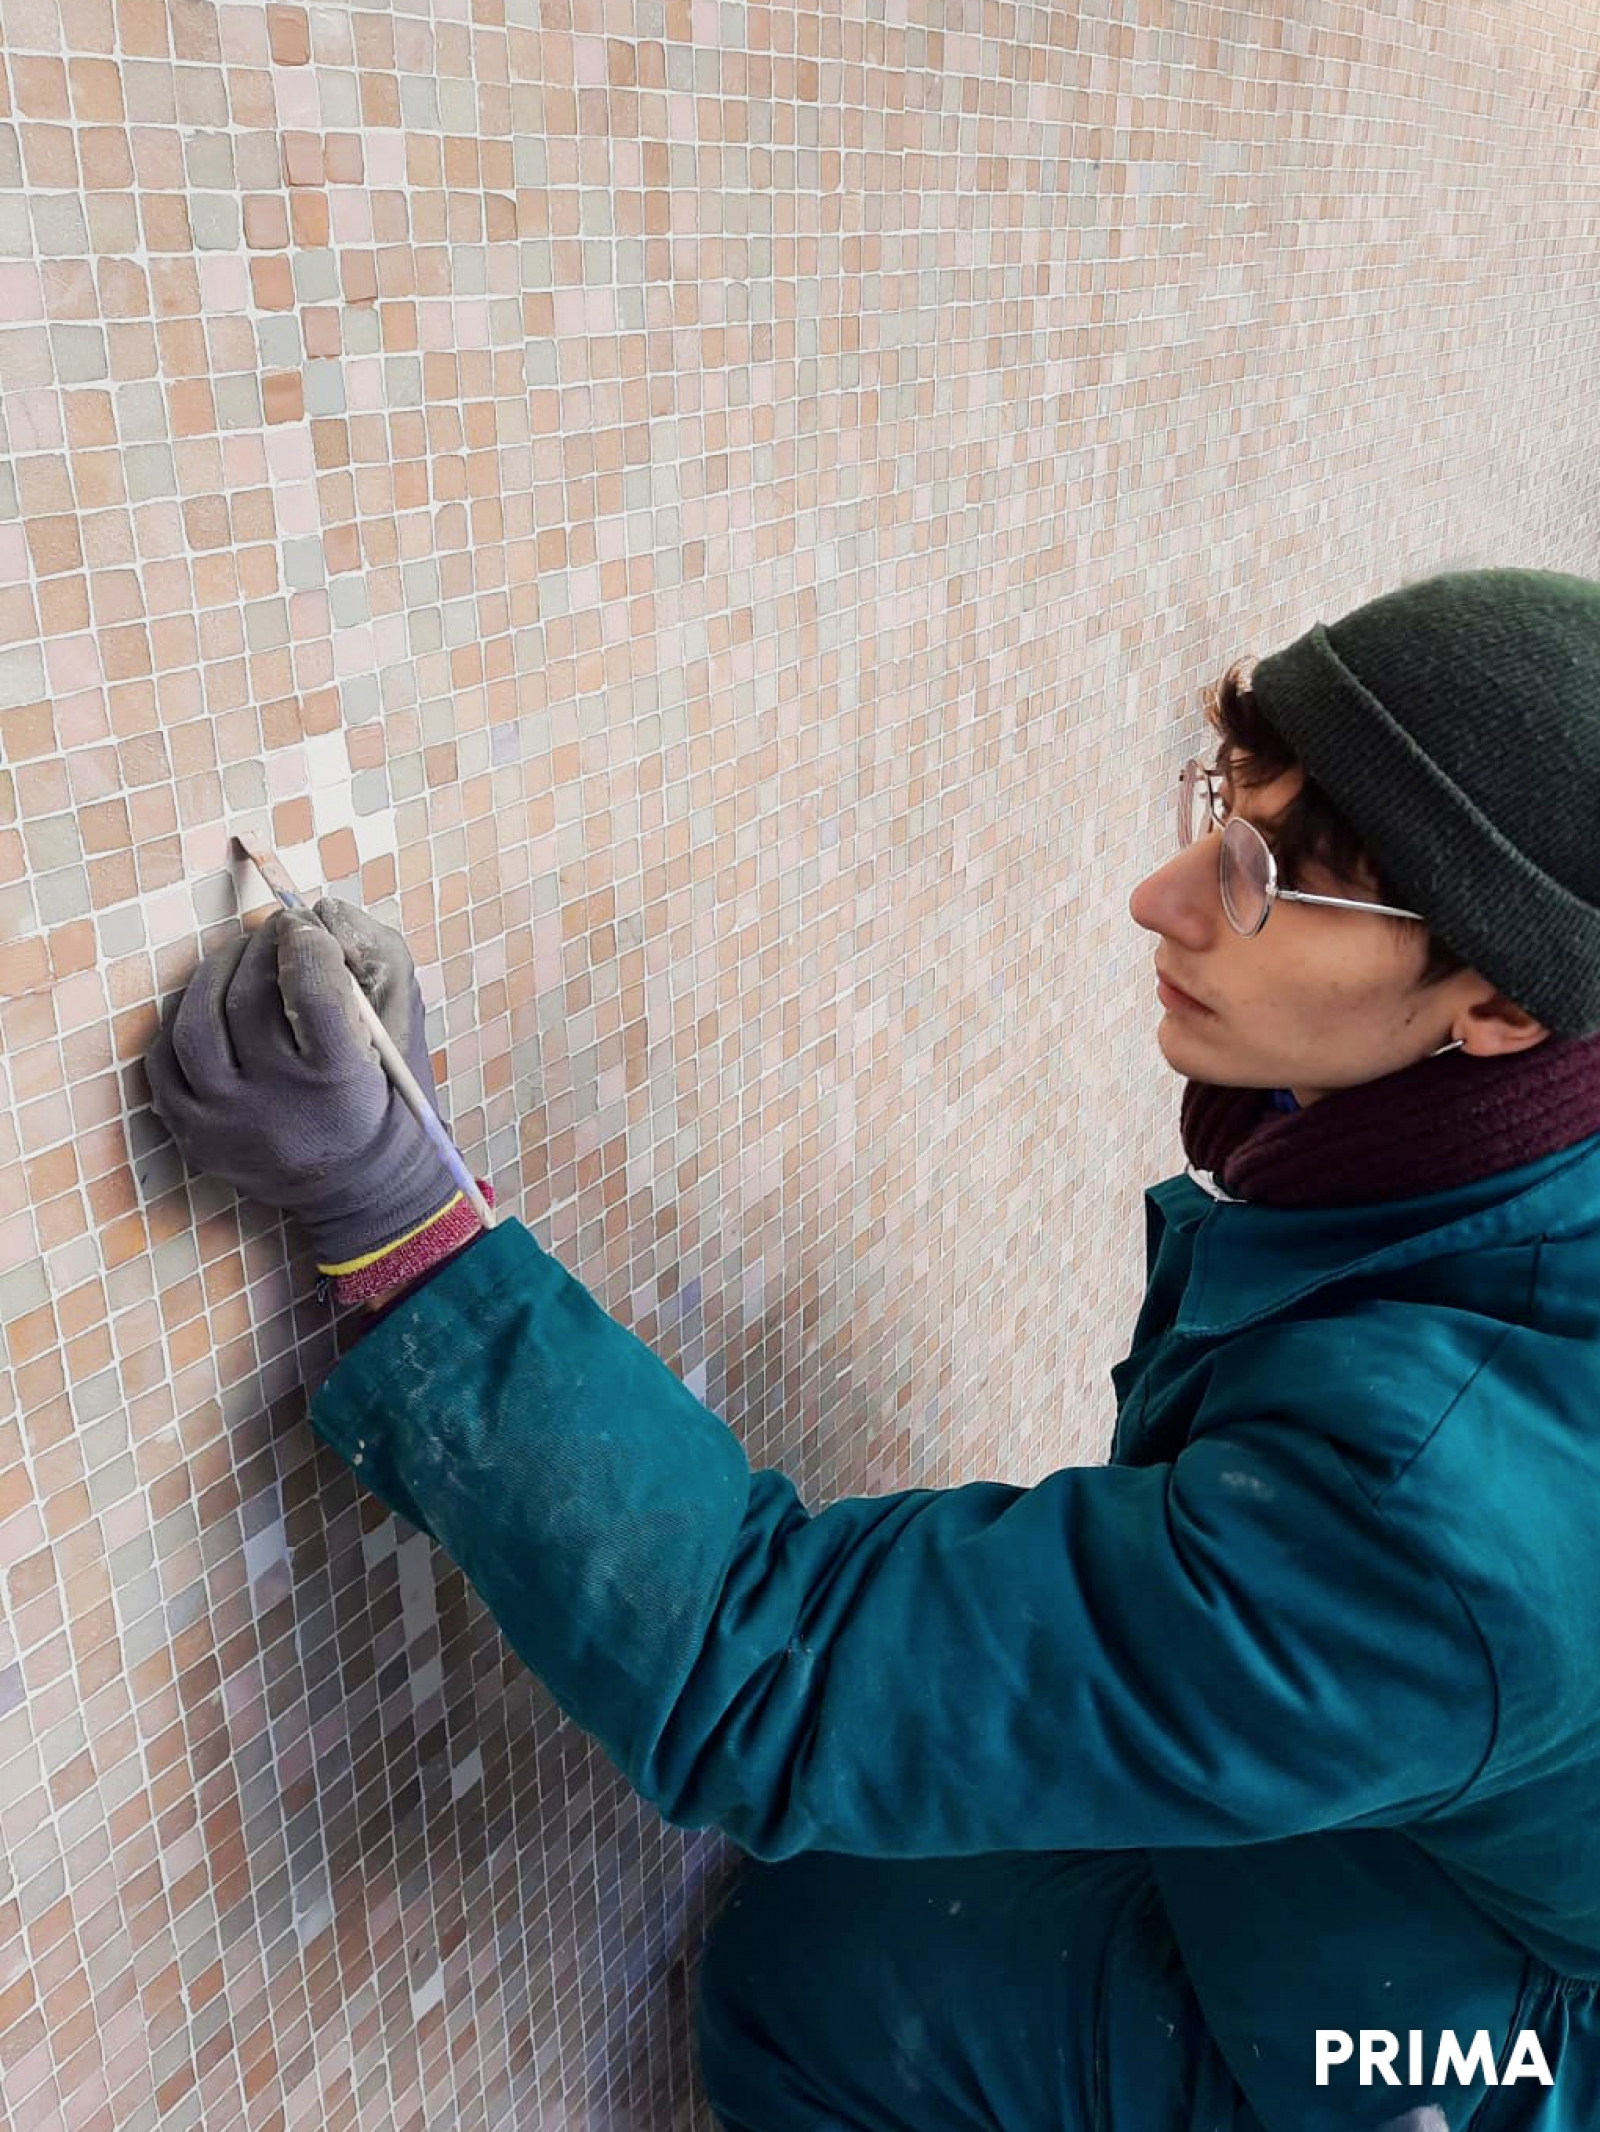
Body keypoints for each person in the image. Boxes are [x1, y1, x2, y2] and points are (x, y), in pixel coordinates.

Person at [146, 566, 1600, 2132]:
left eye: (1267, 881)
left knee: (818, 1986)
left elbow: (778, 1670)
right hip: (1442, 1827)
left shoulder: (1441, 1518)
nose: (1162, 896)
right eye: (1228, 804)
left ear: (1501, 1010)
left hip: (1461, 2061)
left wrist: (404, 1224)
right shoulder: (1483, 1162)